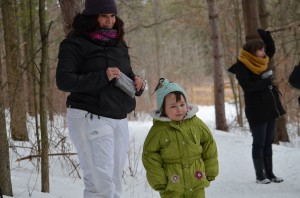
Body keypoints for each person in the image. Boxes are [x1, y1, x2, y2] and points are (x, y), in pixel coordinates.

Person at [55, 0, 146, 197]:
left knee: (113, 182)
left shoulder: (118, 43)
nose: (109, 21)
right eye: (104, 16)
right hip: (90, 116)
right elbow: (64, 81)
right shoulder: (75, 43)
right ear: (92, 16)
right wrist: (102, 76)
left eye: (112, 16)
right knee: (100, 185)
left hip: (119, 117)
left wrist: (137, 83)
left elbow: (126, 75)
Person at [142, 78, 219, 198]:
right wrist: (159, 180)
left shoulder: (196, 123)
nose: (179, 109)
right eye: (173, 106)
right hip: (172, 185)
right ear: (163, 110)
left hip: (196, 180)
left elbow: (208, 143)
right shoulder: (159, 130)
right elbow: (150, 154)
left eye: (182, 105)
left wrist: (210, 170)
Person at [228, 29, 285, 184]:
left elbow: (271, 49)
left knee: (268, 142)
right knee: (259, 143)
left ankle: (270, 174)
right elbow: (248, 86)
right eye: (259, 50)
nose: (262, 53)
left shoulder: (262, 61)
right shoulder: (241, 66)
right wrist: (266, 80)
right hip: (256, 109)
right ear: (251, 52)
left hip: (269, 108)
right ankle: (260, 176)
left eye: (262, 49)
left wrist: (266, 36)